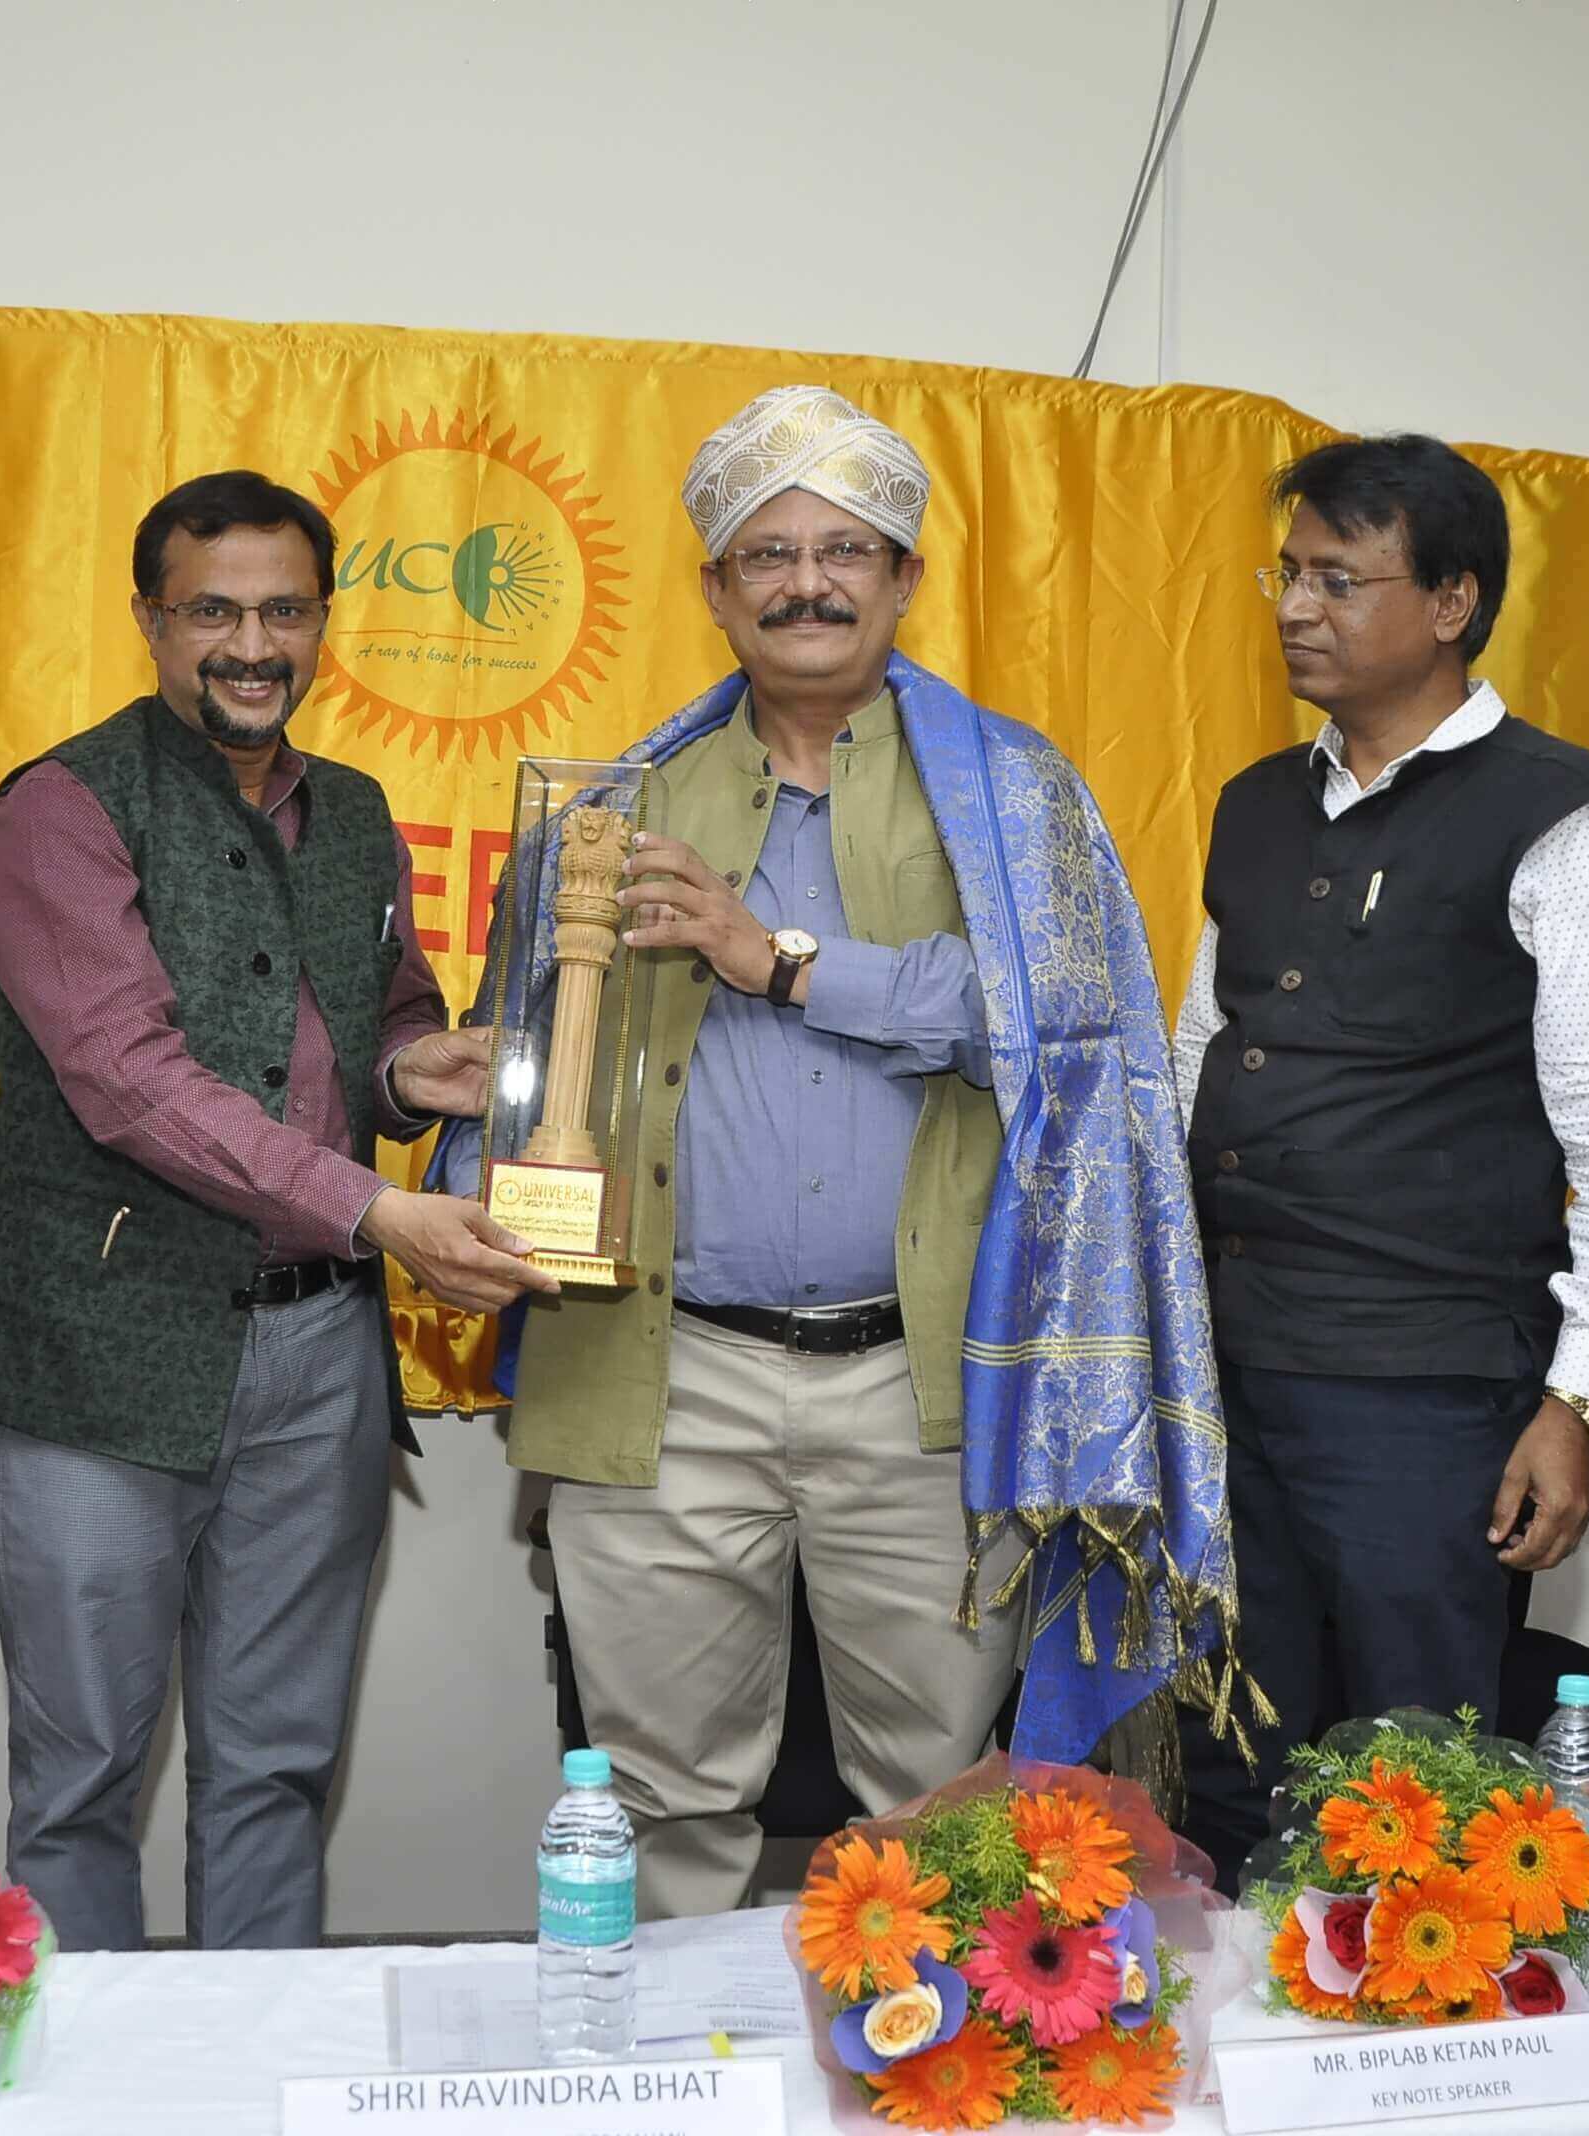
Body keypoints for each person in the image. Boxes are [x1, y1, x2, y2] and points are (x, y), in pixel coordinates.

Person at [441, 386, 1232, 1920]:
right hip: (660, 1377)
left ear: (904, 579)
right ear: (717, 591)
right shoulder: (612, 807)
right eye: (768, 554)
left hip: (923, 1390)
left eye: (845, 550)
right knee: (657, 1802)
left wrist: (780, 958)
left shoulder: (1015, 798)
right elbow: (528, 1063)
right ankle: (674, 2082)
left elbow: (1050, 1020)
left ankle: (915, 2079)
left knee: (936, 1811)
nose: (808, 582)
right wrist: (479, 1107)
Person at [0, 470, 545, 1952]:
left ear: (323, 622)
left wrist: (438, 1067)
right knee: (83, 1778)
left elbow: (378, 1028)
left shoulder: (351, 811)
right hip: (103, 1355)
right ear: (151, 619)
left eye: (283, 610)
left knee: (275, 1771)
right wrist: (380, 1214)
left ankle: (257, 2085)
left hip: (314, 1365)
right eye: (211, 609)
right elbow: (132, 1083)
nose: (250, 643)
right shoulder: (61, 811)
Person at [1172, 436, 1589, 1881]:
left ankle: (1415, 2088)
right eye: (1289, 574)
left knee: (1408, 1785)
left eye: (1340, 578)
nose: (1295, 606)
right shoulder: (1256, 804)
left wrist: (1580, 1401)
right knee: (1235, 1765)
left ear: (1455, 601)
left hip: (1422, 1388)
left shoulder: (1567, 814)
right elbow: (1194, 1059)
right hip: (1230, 1374)